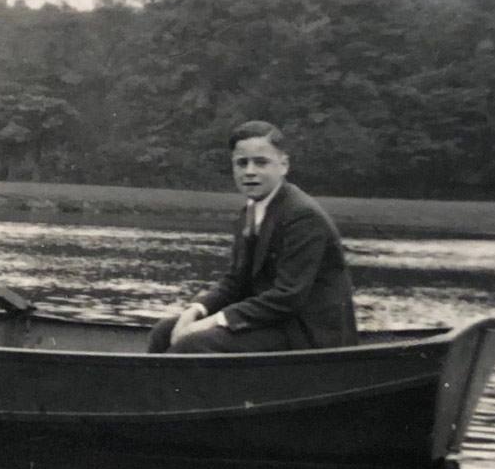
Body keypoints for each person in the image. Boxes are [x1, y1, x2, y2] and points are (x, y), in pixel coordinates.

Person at [148, 120, 357, 354]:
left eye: (261, 162)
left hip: (308, 334)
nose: (250, 171)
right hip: (274, 322)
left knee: (195, 343)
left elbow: (287, 297)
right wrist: (196, 310)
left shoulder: (302, 215)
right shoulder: (250, 211)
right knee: (165, 331)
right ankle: (155, 390)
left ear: (283, 165)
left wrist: (212, 321)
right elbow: (235, 283)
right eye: (241, 163)